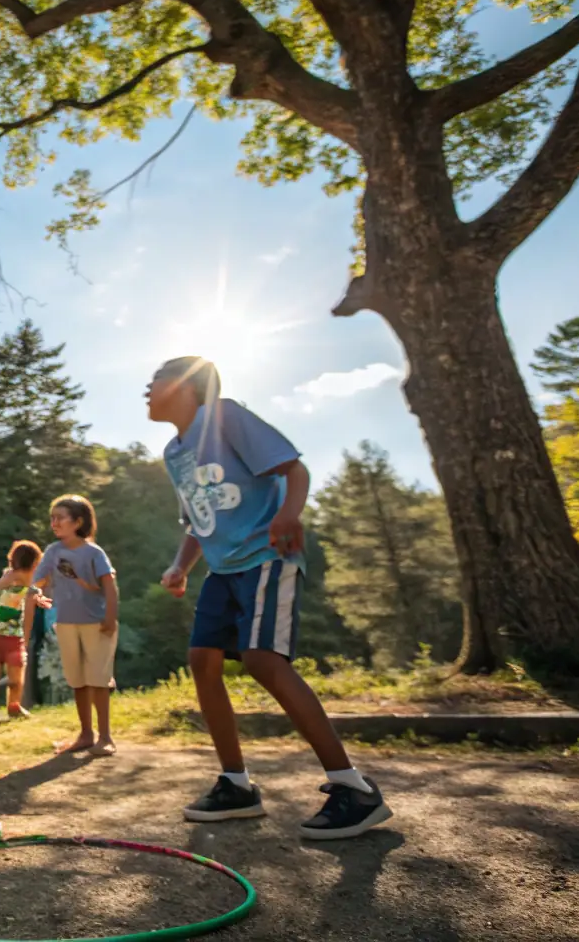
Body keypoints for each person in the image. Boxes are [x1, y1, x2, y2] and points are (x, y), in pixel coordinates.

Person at [148, 356, 393, 840]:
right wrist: (181, 566)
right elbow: (199, 520)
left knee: (262, 659)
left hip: (266, 555)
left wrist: (289, 516)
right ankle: (236, 785)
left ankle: (354, 788)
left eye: (153, 382)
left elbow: (293, 470)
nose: (146, 391)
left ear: (184, 386)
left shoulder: (227, 416)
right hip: (222, 569)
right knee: (202, 659)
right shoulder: (173, 452)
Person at [35, 495, 120, 756]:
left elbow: (109, 586)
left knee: (99, 680)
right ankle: (85, 734)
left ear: (78, 522)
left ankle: (105, 738)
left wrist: (110, 618)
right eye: (52, 518)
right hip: (66, 624)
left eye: (60, 517)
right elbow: (38, 580)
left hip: (97, 624)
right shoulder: (53, 551)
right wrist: (35, 594)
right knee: (78, 680)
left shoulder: (94, 552)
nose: (54, 523)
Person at [0, 540, 49, 721]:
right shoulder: (3, 582)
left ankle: (14, 707)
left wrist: (25, 640)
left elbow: (28, 613)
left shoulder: (28, 586)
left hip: (13, 636)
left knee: (16, 677)